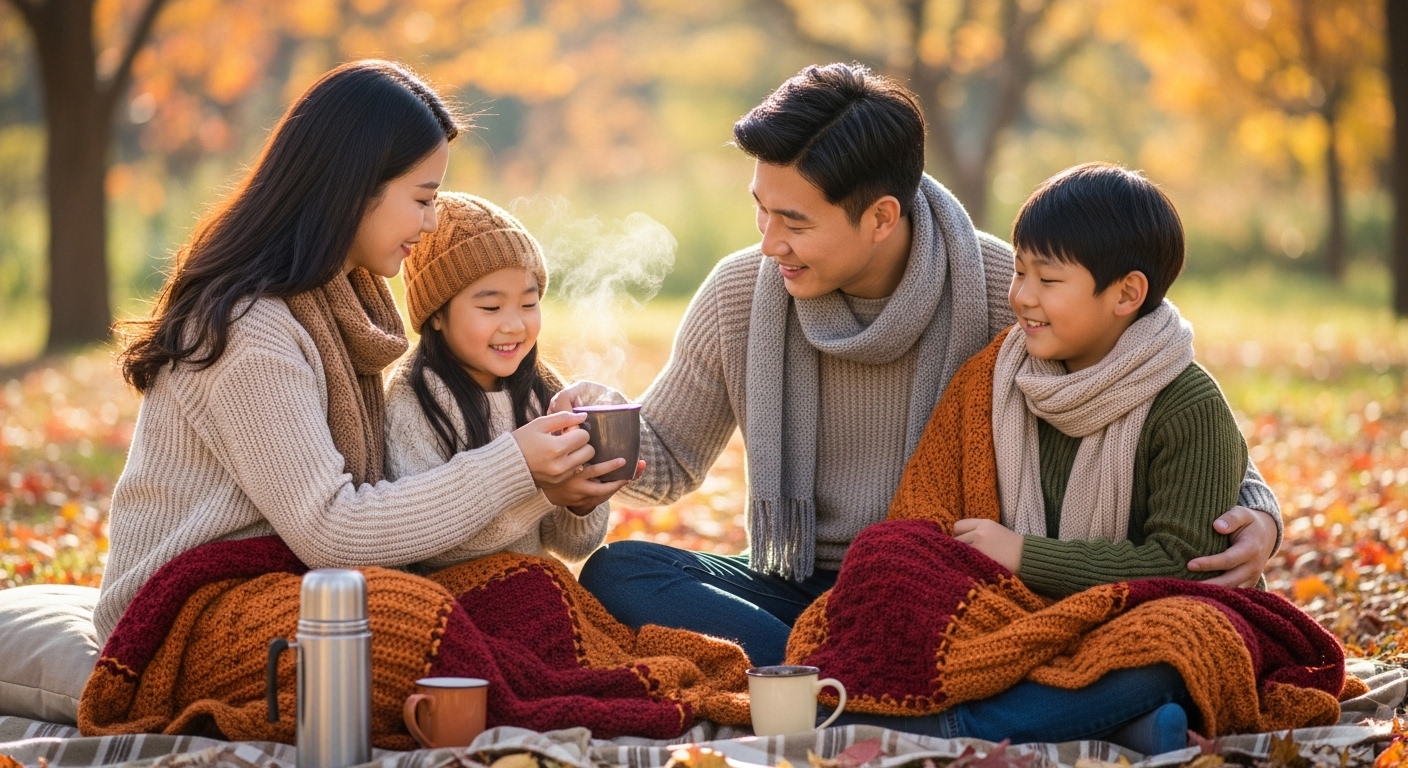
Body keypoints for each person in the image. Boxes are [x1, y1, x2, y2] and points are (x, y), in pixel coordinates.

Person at [562, 63, 1284, 669]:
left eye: (796, 221)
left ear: (881, 216)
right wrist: (596, 435)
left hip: (950, 588)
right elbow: (668, 455)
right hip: (793, 580)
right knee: (622, 572)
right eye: (762, 210)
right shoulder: (740, 294)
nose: (770, 241)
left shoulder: (1005, 293)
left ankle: (826, 675)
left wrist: (1260, 513)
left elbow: (1149, 384)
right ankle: (853, 674)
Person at [96, 60, 597, 641]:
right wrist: (516, 464)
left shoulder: (341, 312)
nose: (431, 222)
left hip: (283, 582)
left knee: (505, 610)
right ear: (355, 189)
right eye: (423, 198)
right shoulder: (247, 329)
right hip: (182, 608)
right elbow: (332, 530)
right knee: (422, 631)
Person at [824, 161, 1257, 753]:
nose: (1022, 296)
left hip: (1129, 620)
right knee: (886, 552)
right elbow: (922, 513)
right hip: (1009, 614)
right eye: (1020, 271)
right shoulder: (994, 377)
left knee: (1190, 635)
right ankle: (1116, 722)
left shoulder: (1188, 405)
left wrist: (1024, 555)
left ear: (1126, 293)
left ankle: (952, 727)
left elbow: (1186, 568)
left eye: (1048, 280)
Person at [382, 191, 639, 567]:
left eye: (529, 304)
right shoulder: (414, 403)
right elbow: (434, 548)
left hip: (534, 579)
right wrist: (544, 495)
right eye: (491, 307)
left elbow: (572, 547)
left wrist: (582, 502)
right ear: (436, 314)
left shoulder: (540, 391)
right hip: (454, 592)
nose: (515, 325)